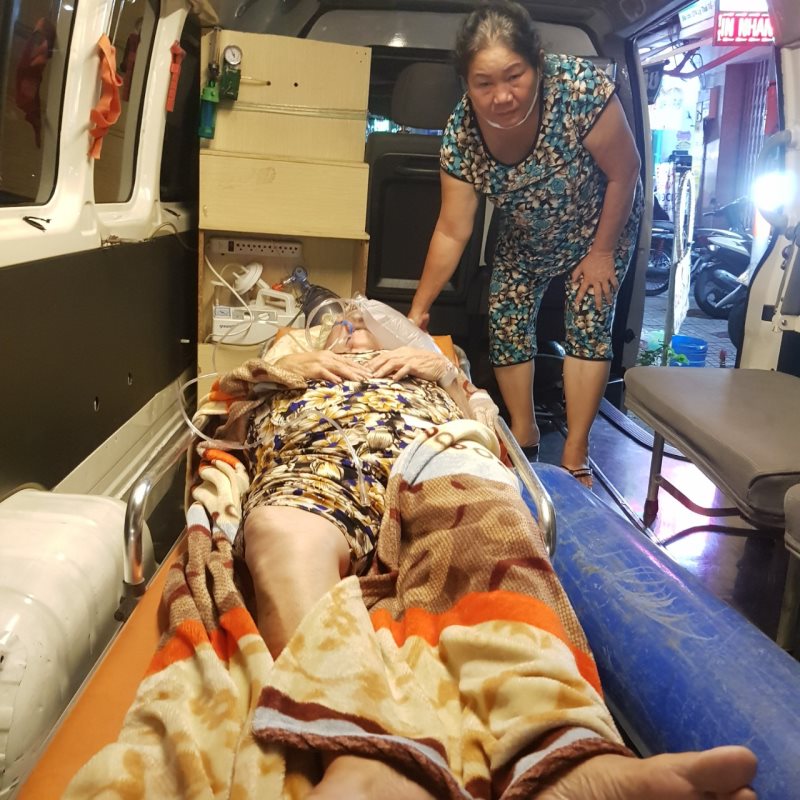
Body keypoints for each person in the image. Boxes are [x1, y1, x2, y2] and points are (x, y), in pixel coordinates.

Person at [232, 307, 757, 800]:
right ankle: (359, 754)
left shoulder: (425, 371)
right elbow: (227, 425)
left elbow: (487, 424)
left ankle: (562, 758)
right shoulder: (285, 374)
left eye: (361, 323)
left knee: (495, 523)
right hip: (318, 457)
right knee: (279, 531)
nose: (351, 331)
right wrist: (277, 371)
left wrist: (443, 373)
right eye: (337, 328)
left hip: (432, 448)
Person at [408, 0, 644, 488]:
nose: (501, 96)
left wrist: (602, 252)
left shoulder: (577, 89)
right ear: (466, 83)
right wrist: (418, 310)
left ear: (537, 63)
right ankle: (524, 431)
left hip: (598, 222)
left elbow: (626, 171)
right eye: (484, 83)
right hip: (527, 230)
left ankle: (575, 452)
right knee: (506, 316)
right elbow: (452, 229)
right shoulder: (462, 136)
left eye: (514, 76)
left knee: (589, 315)